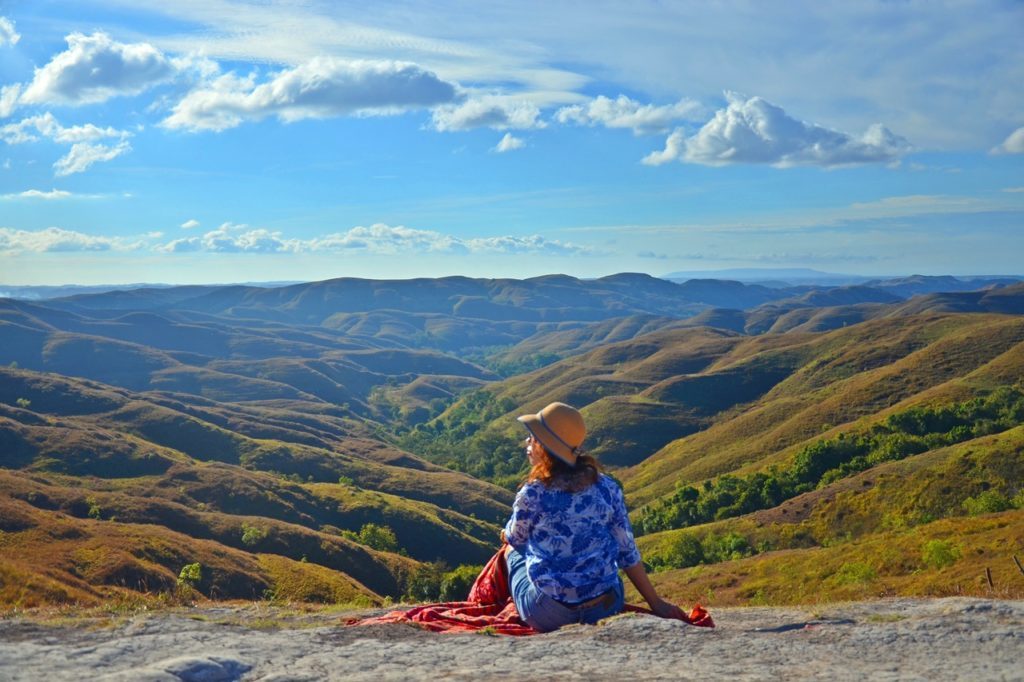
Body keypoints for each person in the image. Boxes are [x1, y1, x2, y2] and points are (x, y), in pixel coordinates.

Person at [501, 401, 686, 632]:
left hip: (548, 614)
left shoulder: (533, 492)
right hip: (606, 607)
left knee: (510, 551)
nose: (527, 442)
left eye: (532, 437)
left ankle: (493, 603)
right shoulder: (607, 487)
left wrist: (506, 533)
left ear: (545, 446)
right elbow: (627, 551)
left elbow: (516, 538)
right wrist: (655, 603)